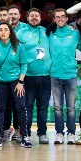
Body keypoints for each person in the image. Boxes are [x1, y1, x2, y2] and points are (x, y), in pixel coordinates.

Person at [0, 22, 30, 148]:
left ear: (10, 31)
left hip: (17, 82)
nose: (3, 32)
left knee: (21, 108)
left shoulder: (18, 46)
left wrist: (20, 82)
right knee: (0, 109)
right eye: (0, 30)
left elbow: (24, 64)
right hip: (1, 82)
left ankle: (24, 136)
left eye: (5, 29)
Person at [48, 7, 81, 144]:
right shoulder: (50, 33)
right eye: (57, 17)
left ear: (67, 18)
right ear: (54, 19)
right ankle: (59, 133)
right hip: (55, 74)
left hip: (71, 74)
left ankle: (71, 133)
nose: (60, 19)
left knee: (71, 108)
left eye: (62, 16)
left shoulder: (74, 34)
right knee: (57, 107)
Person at [19, 8, 52, 144]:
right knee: (28, 106)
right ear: (27, 18)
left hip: (46, 75)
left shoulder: (46, 31)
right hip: (29, 76)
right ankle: (25, 134)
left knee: (43, 107)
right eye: (31, 16)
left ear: (40, 18)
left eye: (36, 16)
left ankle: (42, 133)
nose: (34, 18)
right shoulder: (21, 33)